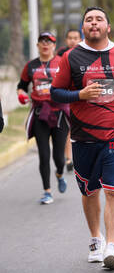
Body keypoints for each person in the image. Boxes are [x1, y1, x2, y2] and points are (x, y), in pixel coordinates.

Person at [51, 7, 114, 270]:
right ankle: (96, 239)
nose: (94, 23)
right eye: (89, 20)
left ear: (108, 26)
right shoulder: (71, 57)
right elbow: (56, 92)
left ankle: (112, 246)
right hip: (83, 136)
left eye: (99, 19)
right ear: (83, 28)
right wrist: (79, 96)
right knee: (89, 190)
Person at [17, 32, 69, 204]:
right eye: (42, 42)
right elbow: (21, 86)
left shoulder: (62, 63)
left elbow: (72, 84)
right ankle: (47, 191)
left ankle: (60, 174)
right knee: (44, 155)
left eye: (49, 42)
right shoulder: (30, 66)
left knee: (59, 157)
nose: (45, 44)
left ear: (54, 46)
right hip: (40, 113)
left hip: (59, 113)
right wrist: (22, 95)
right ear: (38, 45)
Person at [57, 29, 82, 172]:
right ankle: (68, 158)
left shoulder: (85, 53)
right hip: (65, 96)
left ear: (80, 39)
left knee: (79, 128)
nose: (73, 40)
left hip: (81, 96)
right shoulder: (61, 54)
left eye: (76, 38)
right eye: (70, 38)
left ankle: (79, 156)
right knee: (68, 128)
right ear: (66, 40)